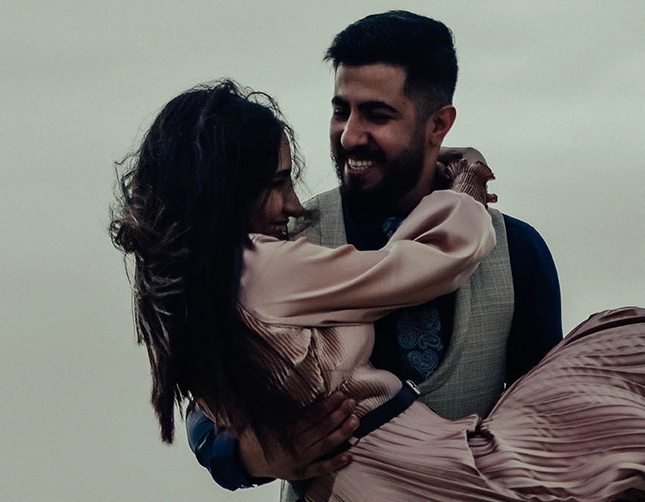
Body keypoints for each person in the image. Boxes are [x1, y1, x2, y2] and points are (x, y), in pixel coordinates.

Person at [113, 80, 645, 501]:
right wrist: (465, 195)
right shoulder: (279, 253)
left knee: (626, 403)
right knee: (634, 350)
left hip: (414, 470)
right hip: (430, 469)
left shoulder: (190, 290)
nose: (290, 202)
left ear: (434, 125)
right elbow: (430, 261)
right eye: (350, 116)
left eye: (385, 117)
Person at [185, 10, 564, 496]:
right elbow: (206, 400)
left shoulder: (519, 254)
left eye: (377, 115)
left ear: (438, 124)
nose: (349, 135)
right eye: (341, 110)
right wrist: (255, 455)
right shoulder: (285, 241)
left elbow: (545, 425)